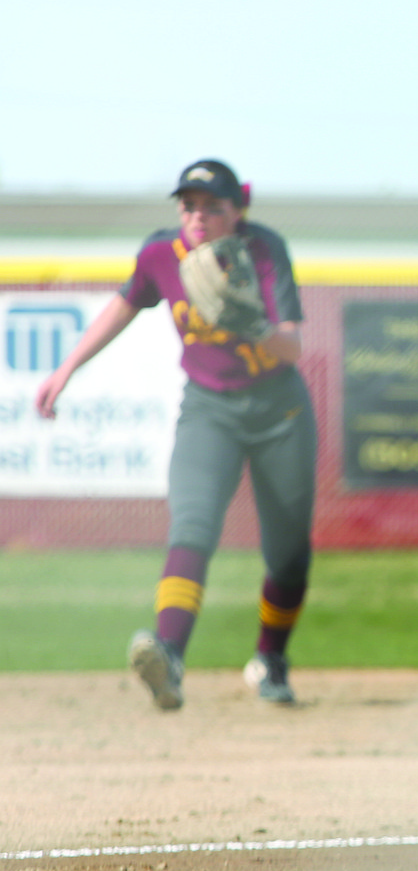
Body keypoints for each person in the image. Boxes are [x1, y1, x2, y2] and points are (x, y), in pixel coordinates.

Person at [36, 159, 317, 711]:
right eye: (189, 205)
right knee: (192, 525)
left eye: (214, 206)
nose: (199, 216)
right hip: (208, 407)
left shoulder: (262, 250)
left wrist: (250, 321)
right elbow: (125, 303)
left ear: (238, 211)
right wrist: (68, 367)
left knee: (287, 555)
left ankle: (271, 660)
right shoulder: (161, 254)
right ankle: (170, 656)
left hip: (278, 412)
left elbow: (293, 347)